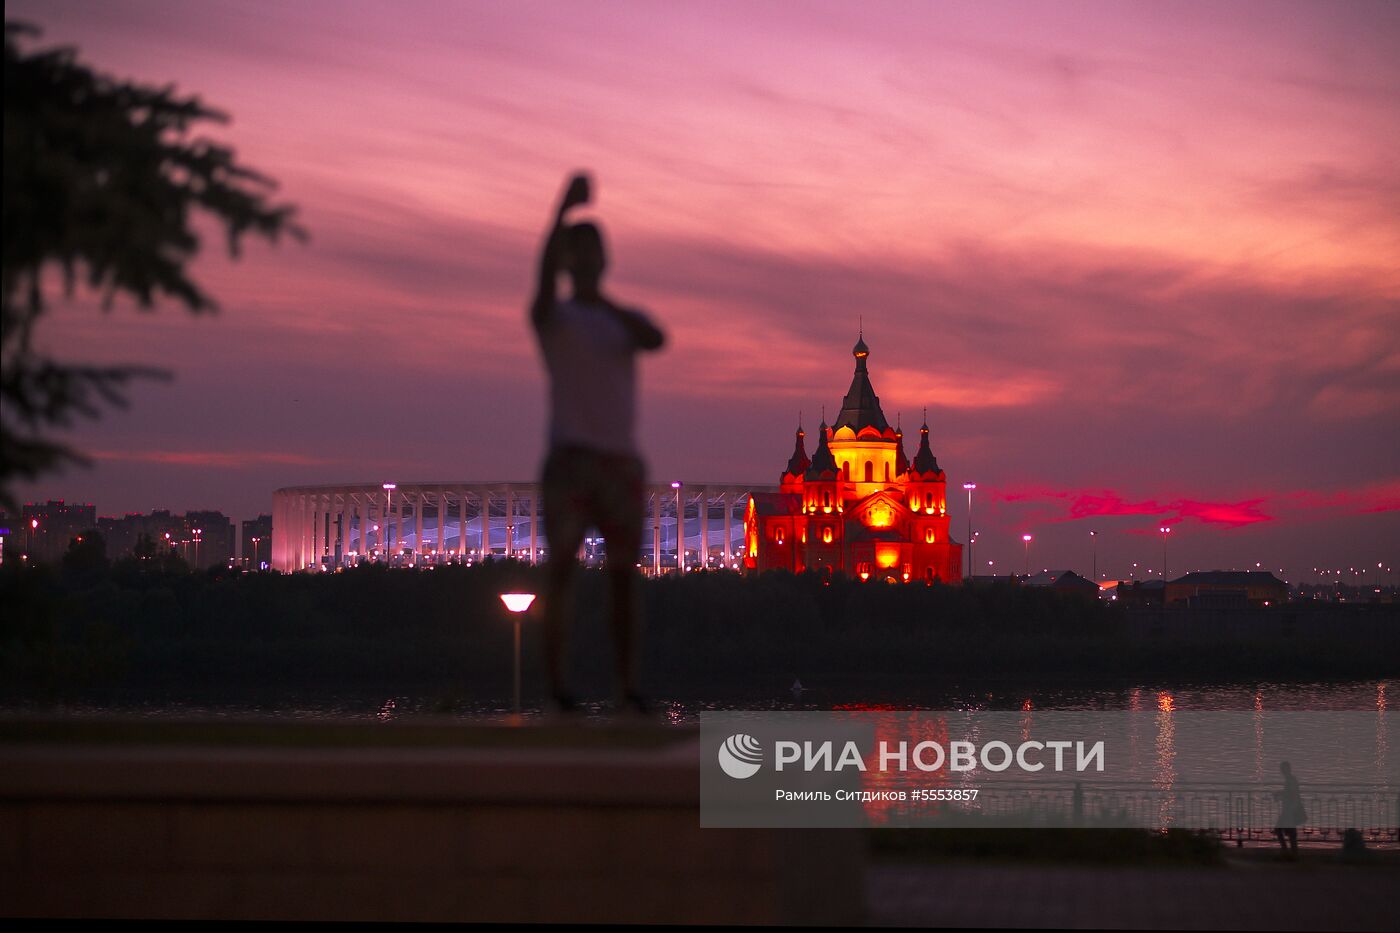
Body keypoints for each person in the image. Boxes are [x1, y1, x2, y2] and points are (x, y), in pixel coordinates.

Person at [530, 172, 665, 714]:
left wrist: (602, 300)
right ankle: (560, 686)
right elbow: (540, 285)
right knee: (561, 572)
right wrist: (559, 213)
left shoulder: (619, 322)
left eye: (593, 252)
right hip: (570, 460)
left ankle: (626, 687)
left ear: (605, 260)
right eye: (575, 254)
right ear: (564, 261)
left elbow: (656, 338)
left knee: (623, 578)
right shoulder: (554, 318)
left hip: (619, 464)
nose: (585, 261)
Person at [1273, 760, 1305, 855]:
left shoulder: (1290, 780)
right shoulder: (1290, 779)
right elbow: (1290, 793)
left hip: (1289, 810)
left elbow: (1291, 794)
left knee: (1280, 830)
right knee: (1291, 833)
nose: (1282, 771)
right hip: (1289, 809)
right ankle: (1291, 852)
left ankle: (1286, 851)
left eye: (1283, 769)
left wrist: (1280, 794)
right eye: (1282, 769)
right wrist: (1280, 794)